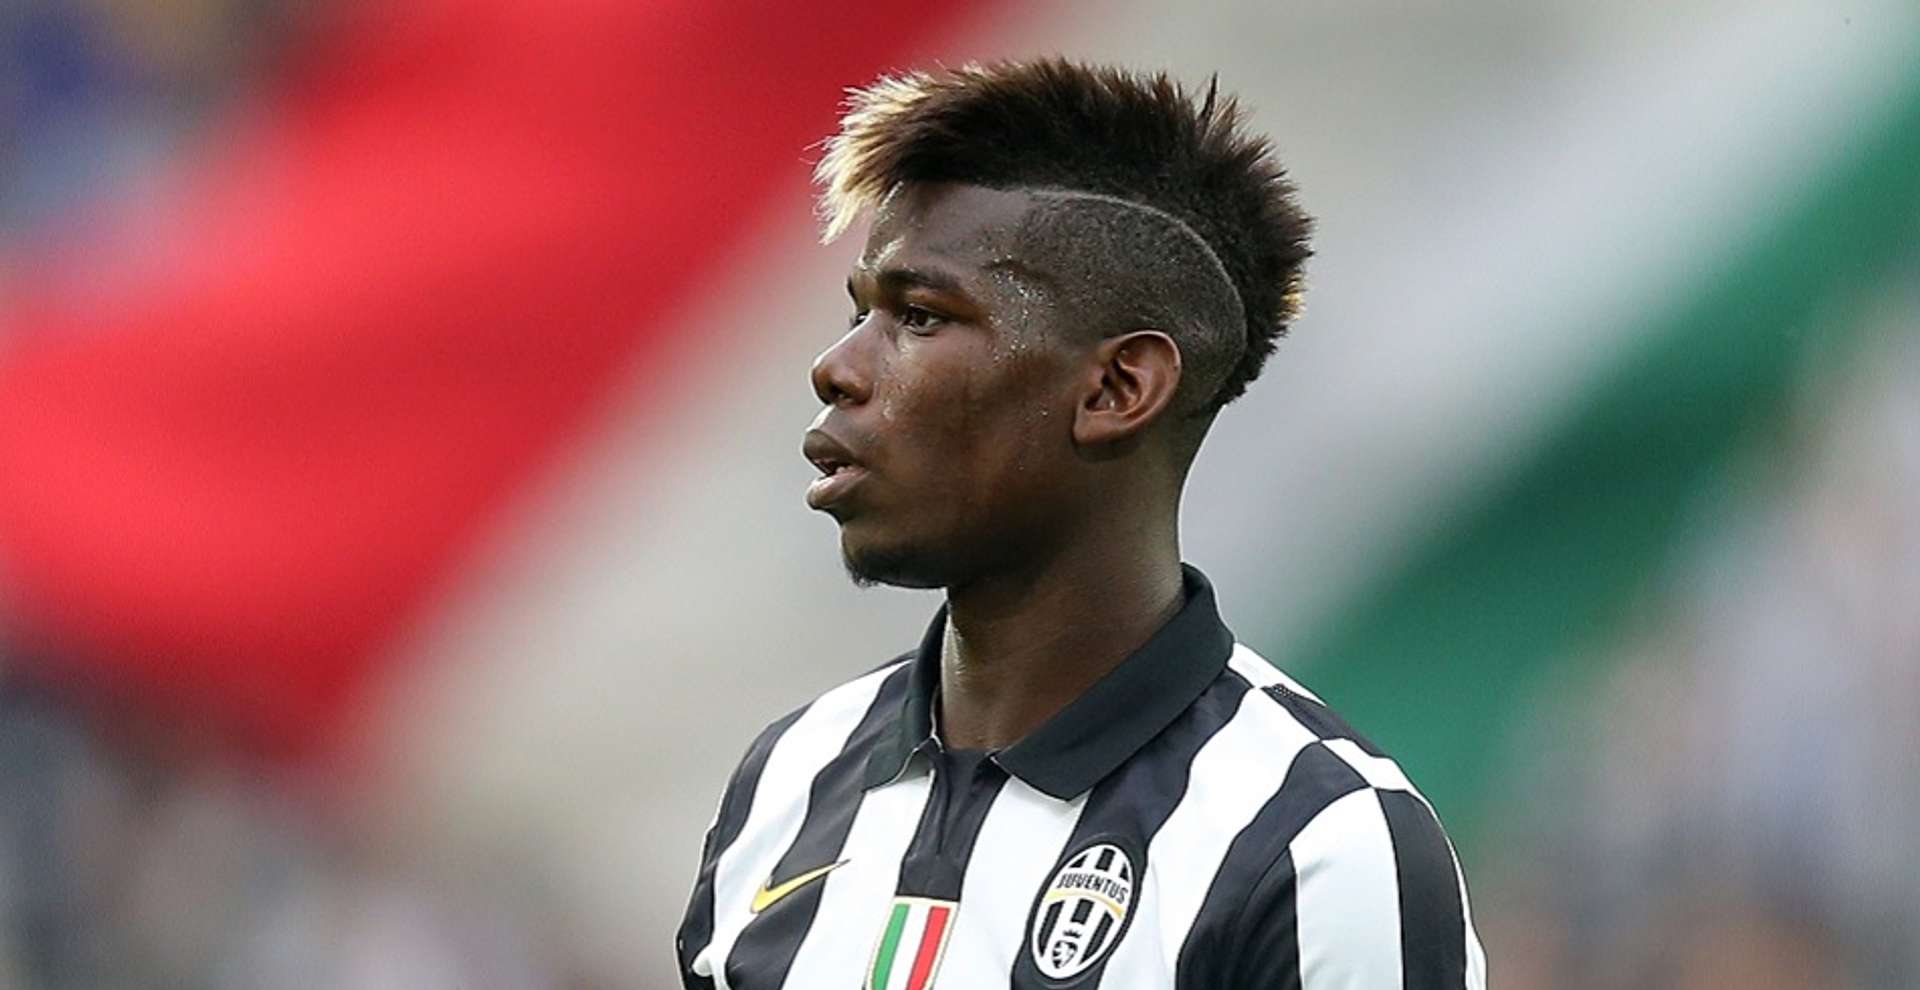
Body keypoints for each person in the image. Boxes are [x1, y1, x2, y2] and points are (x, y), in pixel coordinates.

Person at [677, 59, 1486, 989]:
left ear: (1117, 388)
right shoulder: (790, 778)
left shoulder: (1316, 849)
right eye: (860, 311)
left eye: (920, 316)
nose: (837, 367)